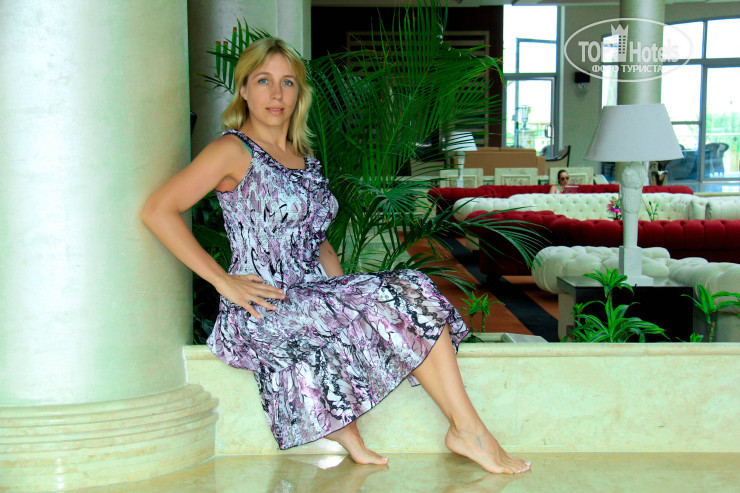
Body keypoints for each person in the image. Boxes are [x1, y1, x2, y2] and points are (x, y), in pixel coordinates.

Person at [141, 37, 530, 475]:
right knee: (408, 288)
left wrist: (347, 298)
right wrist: (223, 281)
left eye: (288, 83)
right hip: (264, 304)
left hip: (311, 295)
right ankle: (469, 431)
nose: (276, 94)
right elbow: (158, 210)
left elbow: (320, 242)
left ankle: (409, 429)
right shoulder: (231, 151)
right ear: (244, 89)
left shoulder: (303, 156)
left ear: (299, 94)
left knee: (410, 291)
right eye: (264, 81)